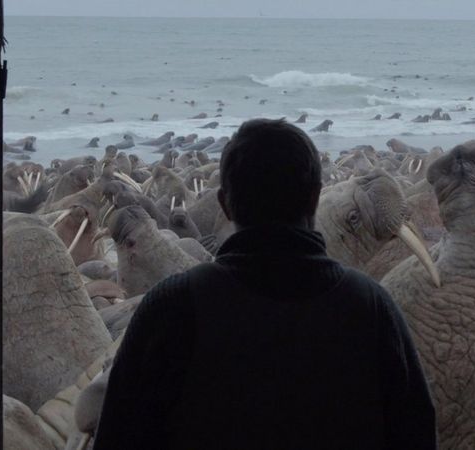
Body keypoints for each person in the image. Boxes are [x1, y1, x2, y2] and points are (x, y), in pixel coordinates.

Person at [93, 119, 437, 449]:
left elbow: (117, 436)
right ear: (316, 197)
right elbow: (416, 433)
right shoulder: (370, 307)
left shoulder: (170, 308)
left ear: (224, 205)